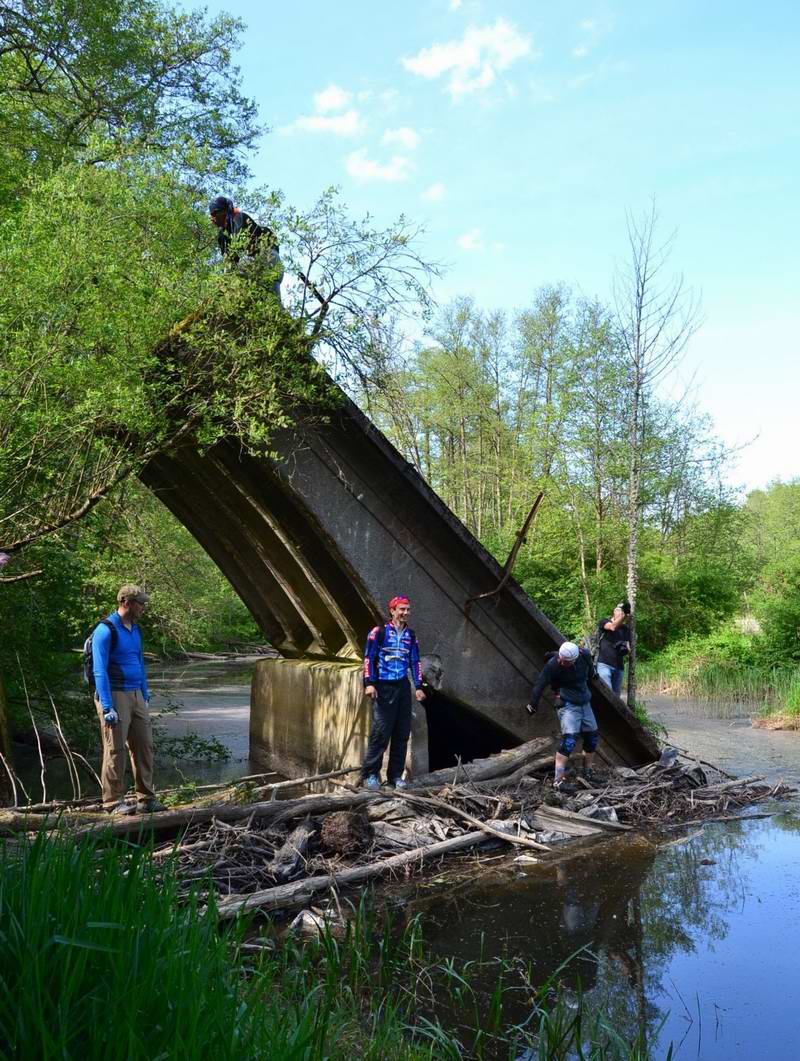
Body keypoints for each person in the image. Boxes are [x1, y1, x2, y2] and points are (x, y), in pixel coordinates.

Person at [92, 584, 165, 815]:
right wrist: (107, 706)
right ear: (126, 602)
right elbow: (99, 671)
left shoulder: (135, 629)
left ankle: (146, 799)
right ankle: (112, 802)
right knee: (115, 750)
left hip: (136, 695)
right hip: (114, 695)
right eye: (140, 603)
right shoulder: (106, 630)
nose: (143, 607)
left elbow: (139, 663)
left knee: (144, 746)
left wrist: (144, 692)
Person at [361, 595, 426, 791]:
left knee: (402, 732)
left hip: (403, 687)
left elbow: (415, 661)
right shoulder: (378, 632)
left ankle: (395, 776)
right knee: (381, 731)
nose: (405, 613)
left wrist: (419, 686)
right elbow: (368, 658)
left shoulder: (411, 635)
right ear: (392, 611)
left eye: (408, 609)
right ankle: (371, 775)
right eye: (402, 609)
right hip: (383, 687)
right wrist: (369, 683)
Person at [526, 641, 600, 790]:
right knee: (569, 741)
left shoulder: (584, 655)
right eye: (560, 658)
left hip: (585, 701)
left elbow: (591, 669)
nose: (561, 661)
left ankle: (588, 773)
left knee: (592, 737)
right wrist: (532, 705)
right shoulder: (553, 665)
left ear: (574, 660)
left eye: (565, 661)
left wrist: (594, 674)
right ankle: (558, 781)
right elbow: (540, 685)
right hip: (567, 704)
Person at [208, 194, 283, 298]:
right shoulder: (223, 235)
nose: (213, 217)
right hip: (255, 263)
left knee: (271, 299)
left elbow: (238, 248)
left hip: (267, 256)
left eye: (215, 213)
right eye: (212, 214)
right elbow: (230, 262)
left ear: (224, 211)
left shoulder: (239, 218)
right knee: (232, 282)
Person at [596, 602, 631, 696]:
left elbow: (628, 647)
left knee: (616, 698)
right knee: (607, 695)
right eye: (619, 611)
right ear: (614, 612)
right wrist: (622, 617)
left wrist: (625, 649)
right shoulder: (604, 621)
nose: (621, 614)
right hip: (604, 664)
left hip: (619, 667)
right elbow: (612, 627)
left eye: (623, 612)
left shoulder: (625, 629)